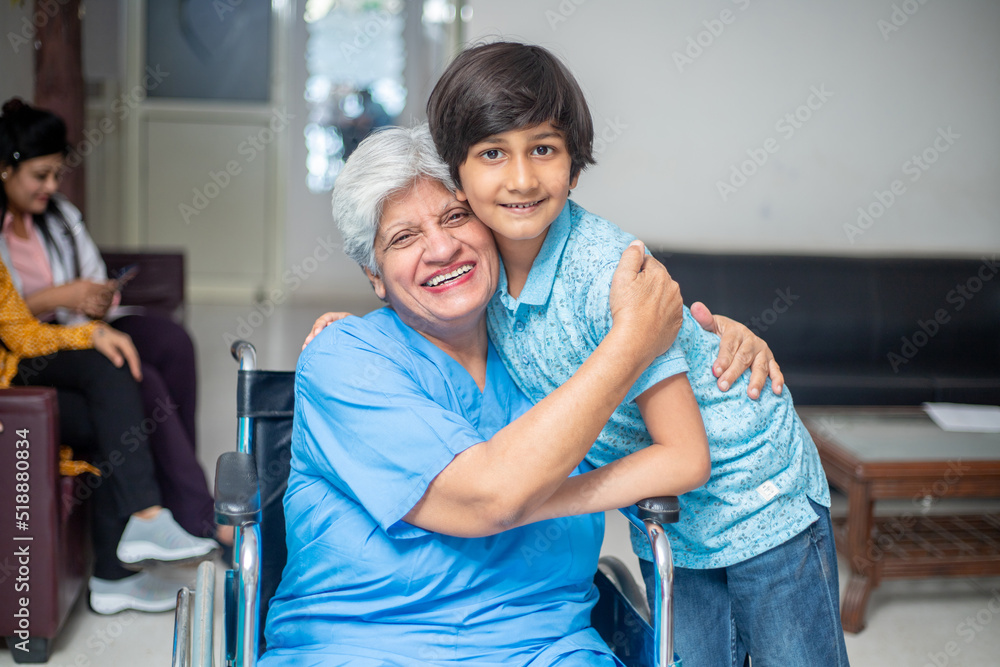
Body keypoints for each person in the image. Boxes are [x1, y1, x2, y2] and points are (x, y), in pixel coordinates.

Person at [265, 124, 784, 665]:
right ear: (374, 275)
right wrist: (632, 343)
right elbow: (488, 497)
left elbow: (677, 406)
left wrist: (708, 339)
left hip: (548, 649)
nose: (441, 248)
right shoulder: (344, 359)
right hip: (363, 647)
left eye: (455, 216)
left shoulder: (551, 342)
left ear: (490, 222)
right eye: (403, 238)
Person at [425, 41, 849, 667]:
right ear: (456, 174)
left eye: (543, 148)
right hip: (668, 522)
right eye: (493, 153)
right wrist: (344, 325)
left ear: (573, 166)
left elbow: (685, 457)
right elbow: (415, 295)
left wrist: (536, 502)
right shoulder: (479, 272)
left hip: (761, 497)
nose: (520, 178)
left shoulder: (609, 271)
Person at [0, 98, 220, 544]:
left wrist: (97, 296)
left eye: (57, 175)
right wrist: (63, 296)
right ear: (6, 169)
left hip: (83, 325)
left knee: (173, 343)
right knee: (141, 375)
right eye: (40, 176)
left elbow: (91, 274)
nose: (51, 187)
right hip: (45, 345)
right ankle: (196, 514)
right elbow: (14, 323)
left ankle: (178, 491)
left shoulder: (58, 215)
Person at [1, 258, 218, 614]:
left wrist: (92, 333)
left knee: (110, 391)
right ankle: (144, 524)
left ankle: (114, 577)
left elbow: (17, 330)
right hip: (11, 385)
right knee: (112, 410)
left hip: (16, 365)